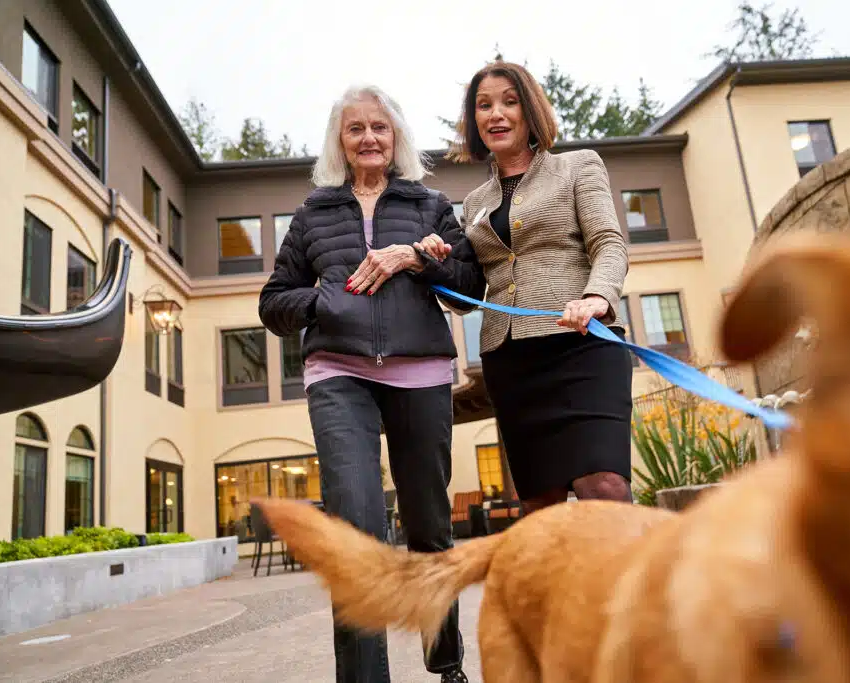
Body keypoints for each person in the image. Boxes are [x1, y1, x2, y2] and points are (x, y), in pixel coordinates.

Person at [258, 84, 470, 683]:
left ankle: (446, 659)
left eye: (379, 127)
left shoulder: (429, 205)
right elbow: (273, 303)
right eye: (356, 129)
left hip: (420, 373)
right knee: (354, 528)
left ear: (395, 135)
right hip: (338, 373)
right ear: (340, 141)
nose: (369, 138)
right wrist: (323, 299)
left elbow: (470, 284)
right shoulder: (312, 213)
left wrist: (420, 258)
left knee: (429, 525)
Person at [413, 61, 634, 517]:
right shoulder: (474, 204)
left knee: (605, 485)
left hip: (582, 347)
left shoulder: (578, 167)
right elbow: (461, 298)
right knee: (539, 506)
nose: (496, 114)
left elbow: (608, 242)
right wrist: (437, 266)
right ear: (474, 121)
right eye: (484, 105)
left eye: (509, 102)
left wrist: (597, 297)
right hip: (511, 361)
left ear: (529, 110)